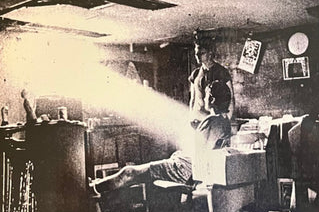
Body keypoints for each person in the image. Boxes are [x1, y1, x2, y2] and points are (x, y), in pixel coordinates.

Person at [91, 80, 232, 194]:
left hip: (185, 170)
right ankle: (97, 184)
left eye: (205, 96)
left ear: (211, 99)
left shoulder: (211, 121)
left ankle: (93, 188)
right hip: (188, 169)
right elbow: (206, 149)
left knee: (129, 172)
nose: (203, 99)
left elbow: (198, 155)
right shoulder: (224, 122)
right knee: (134, 171)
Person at [189, 33, 234, 125]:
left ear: (210, 54)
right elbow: (193, 98)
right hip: (199, 118)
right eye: (197, 54)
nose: (198, 56)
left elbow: (231, 98)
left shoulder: (221, 72)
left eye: (202, 53)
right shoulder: (195, 74)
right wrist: (191, 116)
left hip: (216, 118)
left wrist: (227, 120)